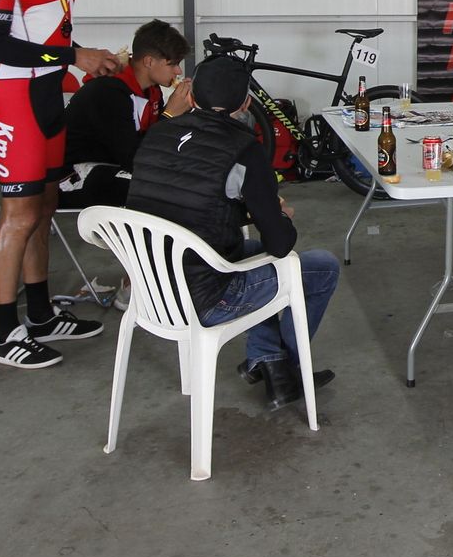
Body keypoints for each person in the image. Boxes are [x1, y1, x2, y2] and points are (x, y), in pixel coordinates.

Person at [127, 56, 338, 411]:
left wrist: (246, 207)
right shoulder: (244, 150)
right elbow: (281, 244)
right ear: (245, 104)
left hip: (152, 290)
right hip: (207, 299)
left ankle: (267, 359)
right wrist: (277, 212)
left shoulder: (158, 132)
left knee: (251, 250)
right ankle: (286, 369)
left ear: (191, 99)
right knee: (320, 267)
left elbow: (191, 199)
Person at [0, 0, 124, 369]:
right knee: (17, 215)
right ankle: (3, 332)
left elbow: (46, 36)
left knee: (44, 207)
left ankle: (39, 315)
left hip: (46, 98)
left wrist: (85, 53)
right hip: (12, 99)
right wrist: (71, 58)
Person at [59, 19, 193, 210]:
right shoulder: (108, 92)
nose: (178, 71)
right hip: (72, 177)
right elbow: (134, 159)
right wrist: (169, 116)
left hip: (113, 168)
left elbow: (154, 149)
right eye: (173, 64)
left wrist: (182, 114)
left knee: (188, 179)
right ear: (149, 61)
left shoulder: (152, 91)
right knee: (159, 189)